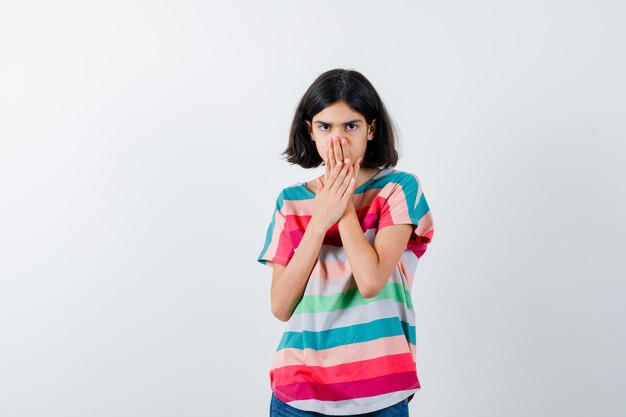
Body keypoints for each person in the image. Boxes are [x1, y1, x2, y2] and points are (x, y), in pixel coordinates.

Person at [257, 68, 435, 416]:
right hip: (298, 390)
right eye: (325, 127)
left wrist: (342, 208)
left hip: (379, 390)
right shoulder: (290, 202)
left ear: (371, 129)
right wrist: (319, 219)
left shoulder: (398, 189)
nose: (337, 139)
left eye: (350, 126)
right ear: (310, 130)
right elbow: (280, 306)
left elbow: (370, 281)